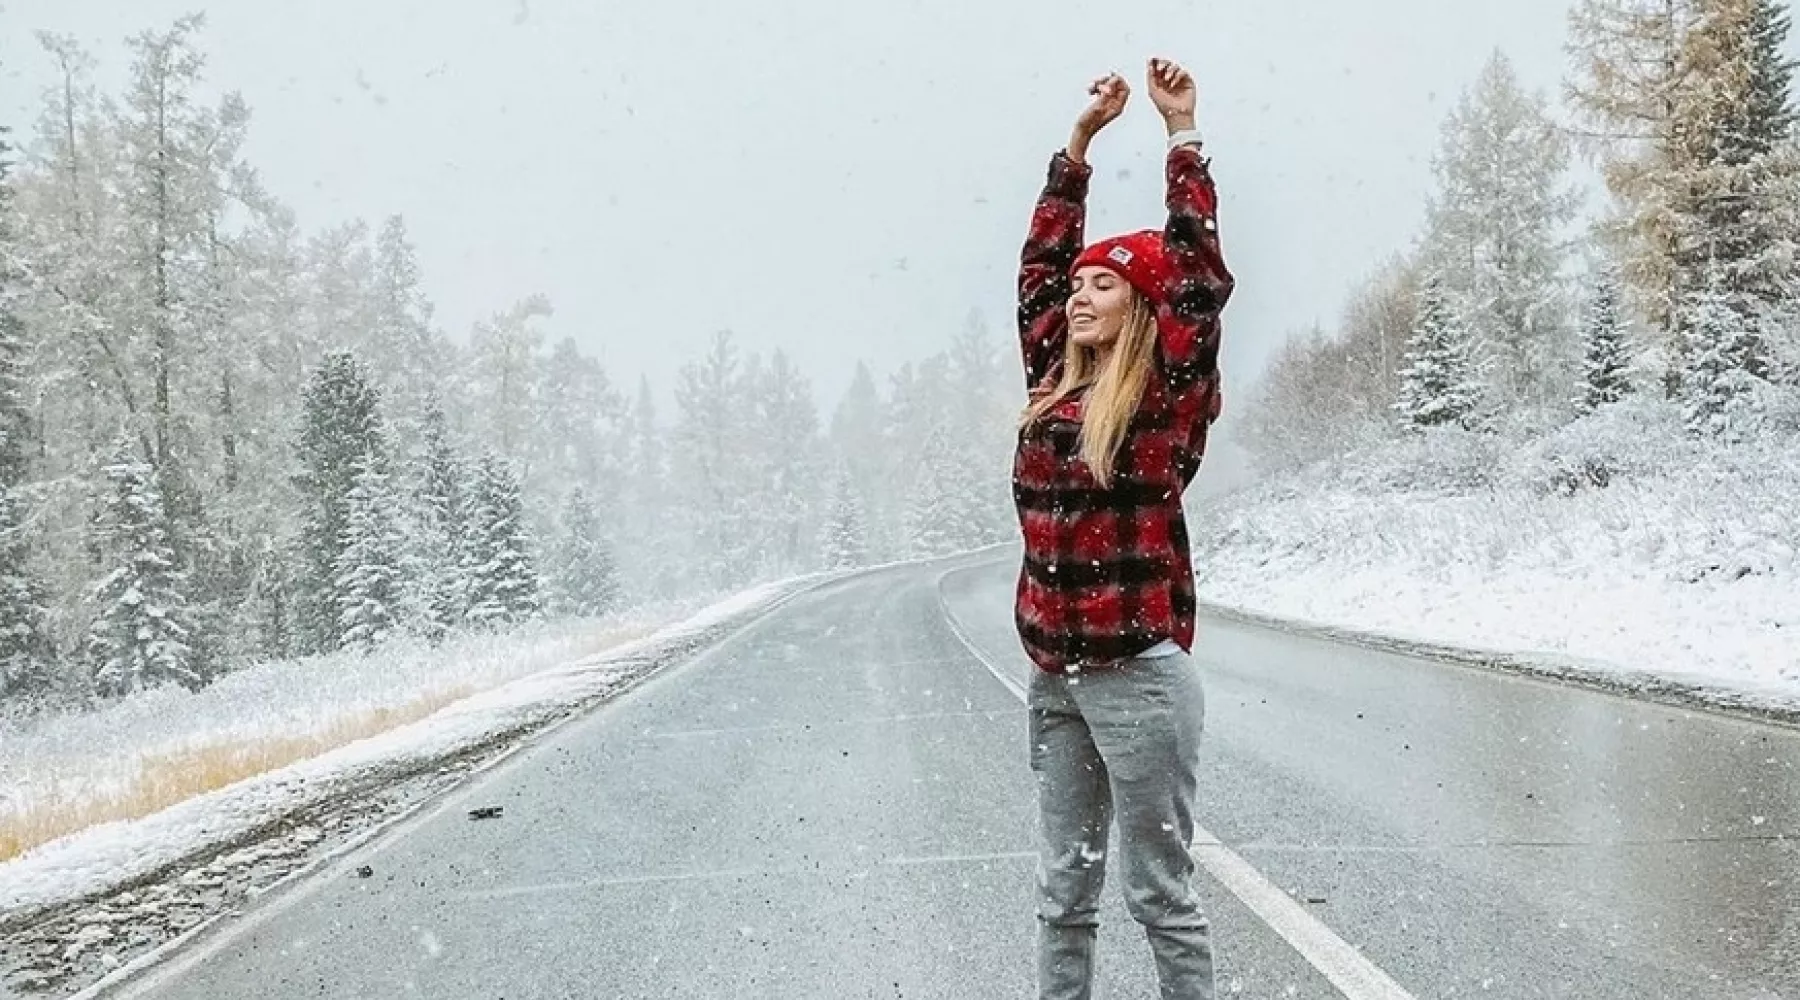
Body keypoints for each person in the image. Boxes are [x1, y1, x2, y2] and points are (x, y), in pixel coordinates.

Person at [1012, 57, 1234, 1000]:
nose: (1079, 292)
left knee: (1159, 893)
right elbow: (1036, 274)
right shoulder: (1052, 388)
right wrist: (1078, 149)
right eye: (1081, 283)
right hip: (1056, 676)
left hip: (1138, 674)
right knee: (1063, 890)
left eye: (1104, 283)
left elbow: (1195, 282)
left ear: (1140, 306)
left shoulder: (1161, 400)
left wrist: (1180, 134)